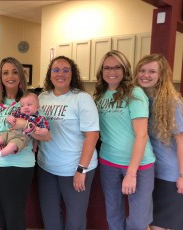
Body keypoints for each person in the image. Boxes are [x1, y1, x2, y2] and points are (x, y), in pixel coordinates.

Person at [0, 57, 51, 230]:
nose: (10, 76)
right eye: (5, 72)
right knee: (1, 216)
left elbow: (46, 136)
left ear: (21, 76)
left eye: (15, 72)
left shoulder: (29, 100)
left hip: (18, 165)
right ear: (0, 77)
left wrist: (24, 125)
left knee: (14, 216)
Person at [94, 50, 155, 230]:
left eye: (117, 67)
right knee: (113, 214)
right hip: (108, 162)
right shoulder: (99, 96)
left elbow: (142, 135)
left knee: (138, 220)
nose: (111, 71)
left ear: (125, 69)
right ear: (101, 71)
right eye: (107, 67)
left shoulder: (135, 93)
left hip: (139, 165)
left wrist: (131, 173)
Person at [37, 55, 99, 230]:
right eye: (56, 70)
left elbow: (92, 136)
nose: (60, 74)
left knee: (75, 219)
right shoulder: (42, 98)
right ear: (50, 74)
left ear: (73, 74)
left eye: (66, 70)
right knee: (49, 216)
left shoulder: (82, 98)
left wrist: (81, 169)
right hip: (46, 167)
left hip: (75, 168)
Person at [133, 54, 183, 230]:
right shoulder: (139, 99)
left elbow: (181, 139)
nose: (145, 75)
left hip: (169, 174)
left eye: (152, 71)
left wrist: (182, 176)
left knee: (159, 226)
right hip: (149, 171)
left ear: (161, 75)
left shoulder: (172, 102)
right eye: (142, 70)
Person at [0, 92, 49, 158]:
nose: (25, 107)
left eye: (29, 105)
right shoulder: (18, 113)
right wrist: (9, 119)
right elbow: (10, 118)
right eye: (22, 106)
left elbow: (46, 129)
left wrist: (43, 131)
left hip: (22, 137)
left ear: (37, 107)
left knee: (13, 145)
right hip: (11, 132)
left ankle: (0, 154)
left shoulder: (40, 119)